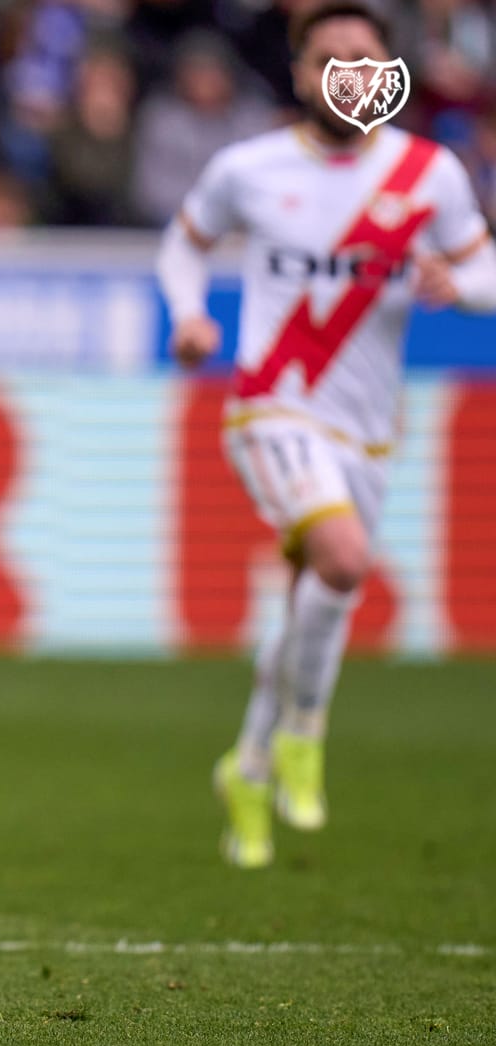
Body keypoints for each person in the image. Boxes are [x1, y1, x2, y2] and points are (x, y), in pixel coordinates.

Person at [157, 2, 496, 869]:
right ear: (304, 75)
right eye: (330, 57)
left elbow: (485, 264)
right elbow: (183, 244)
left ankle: (249, 764)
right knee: (343, 561)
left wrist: (458, 287)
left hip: (368, 430)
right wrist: (190, 315)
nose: (348, 72)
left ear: (391, 71)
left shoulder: (430, 173)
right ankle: (306, 734)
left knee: (316, 598)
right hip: (273, 407)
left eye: (364, 57)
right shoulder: (251, 167)